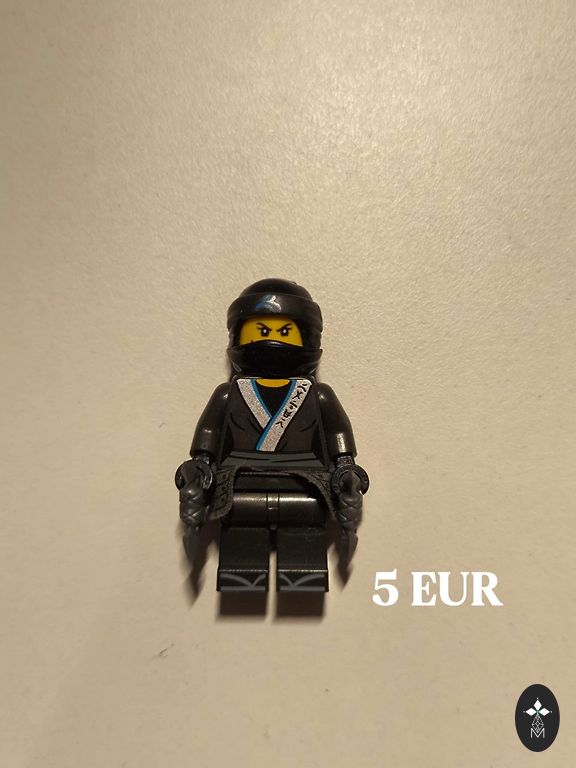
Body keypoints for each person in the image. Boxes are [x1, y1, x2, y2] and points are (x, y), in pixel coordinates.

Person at [175, 278, 368, 593]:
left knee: (303, 557)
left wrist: (346, 469)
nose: (273, 340)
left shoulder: (318, 396)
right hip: (238, 483)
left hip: (308, 485)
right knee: (241, 551)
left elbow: (337, 434)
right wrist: (200, 467)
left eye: (284, 331)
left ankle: (301, 573)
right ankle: (243, 575)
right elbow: (208, 435)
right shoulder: (229, 394)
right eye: (261, 331)